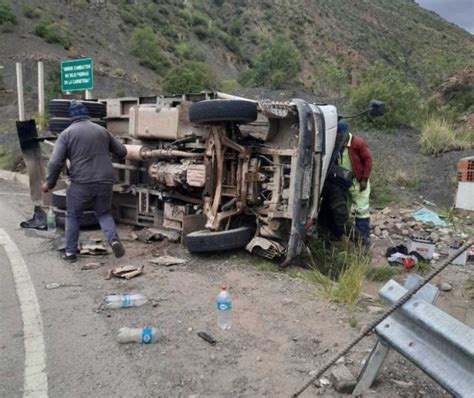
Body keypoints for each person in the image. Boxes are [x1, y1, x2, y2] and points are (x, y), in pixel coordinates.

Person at [42, 100, 128, 262]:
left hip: (81, 182)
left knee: (73, 215)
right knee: (103, 213)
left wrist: (50, 183)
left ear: (70, 117)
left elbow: (55, 162)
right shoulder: (102, 130)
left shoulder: (66, 134)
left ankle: (70, 253)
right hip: (105, 180)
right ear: (87, 114)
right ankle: (114, 240)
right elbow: (122, 152)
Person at [335, 121, 372, 247]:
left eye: (339, 134)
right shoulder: (336, 144)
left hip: (358, 181)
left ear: (345, 133)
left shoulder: (357, 143)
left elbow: (368, 160)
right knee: (343, 210)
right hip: (343, 182)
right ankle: (346, 238)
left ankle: (364, 239)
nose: (338, 136)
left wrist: (364, 179)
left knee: (361, 210)